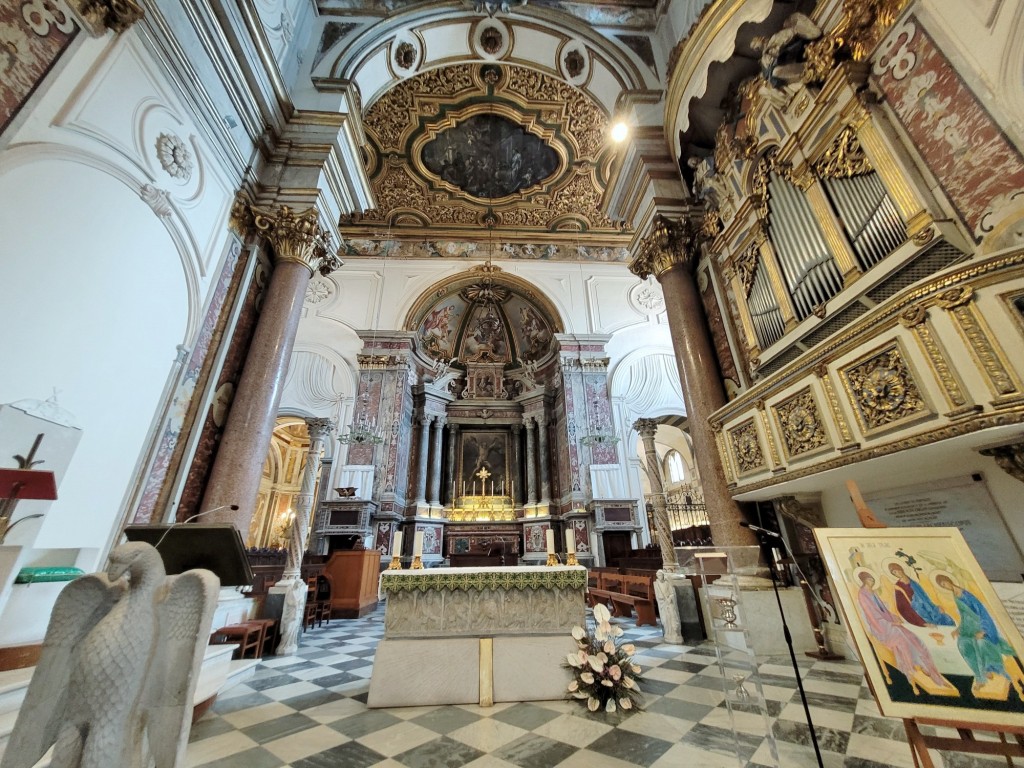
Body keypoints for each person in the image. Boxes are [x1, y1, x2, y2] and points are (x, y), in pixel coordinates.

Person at [855, 569, 950, 693]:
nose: (872, 581)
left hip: (889, 623)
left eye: (873, 579)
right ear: (864, 580)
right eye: (870, 579)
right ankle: (910, 671)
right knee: (900, 638)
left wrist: (895, 618)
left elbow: (885, 611)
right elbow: (872, 615)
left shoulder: (873, 592)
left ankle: (927, 667)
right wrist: (890, 623)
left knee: (914, 638)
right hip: (880, 627)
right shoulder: (863, 594)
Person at [933, 573, 1023, 697]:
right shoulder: (956, 596)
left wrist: (984, 630)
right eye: (942, 586)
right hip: (967, 628)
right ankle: (980, 673)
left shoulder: (967, 595)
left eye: (945, 583)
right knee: (962, 644)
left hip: (981, 626)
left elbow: (982, 613)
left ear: (949, 581)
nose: (945, 586)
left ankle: (989, 671)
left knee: (980, 643)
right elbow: (964, 615)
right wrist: (959, 629)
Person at [886, 562, 955, 628]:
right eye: (894, 573)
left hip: (929, 609)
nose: (896, 574)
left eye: (896, 571)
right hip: (919, 615)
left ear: (900, 569)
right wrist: (921, 623)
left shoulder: (913, 582)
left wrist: (936, 607)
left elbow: (925, 597)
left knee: (947, 620)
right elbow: (902, 608)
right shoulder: (898, 587)